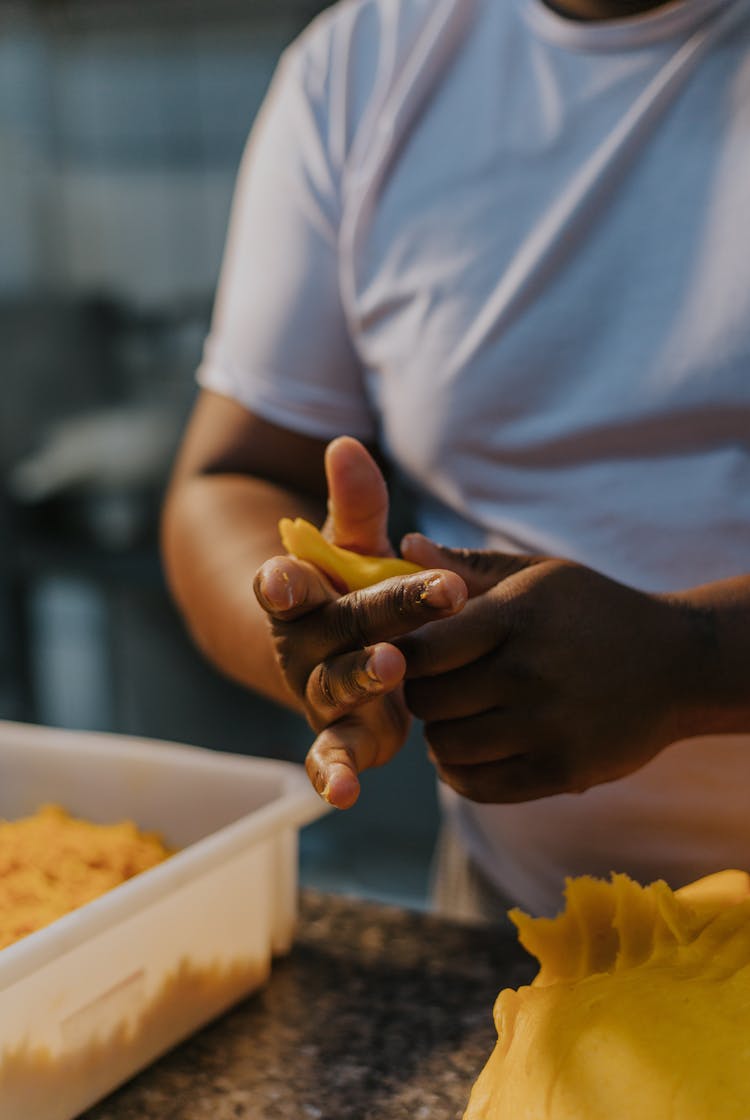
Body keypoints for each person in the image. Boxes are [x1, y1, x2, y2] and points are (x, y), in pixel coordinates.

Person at [162, 0, 750, 920]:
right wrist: (323, 639)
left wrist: (694, 667)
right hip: (522, 927)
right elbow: (229, 479)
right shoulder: (364, 65)